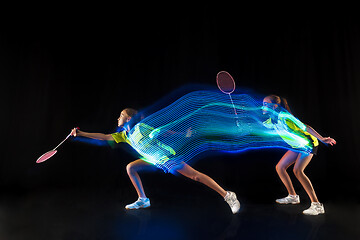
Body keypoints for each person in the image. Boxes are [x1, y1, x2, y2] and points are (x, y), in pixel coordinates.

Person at [70, 108, 240, 214]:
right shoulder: (123, 135)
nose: (118, 119)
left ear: (129, 119)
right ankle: (143, 199)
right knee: (131, 168)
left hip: (166, 157)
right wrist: (82, 133)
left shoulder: (141, 128)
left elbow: (164, 132)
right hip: (153, 159)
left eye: (121, 115)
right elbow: (104, 136)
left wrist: (184, 135)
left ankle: (228, 195)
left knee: (195, 176)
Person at [262, 95, 336, 215]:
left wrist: (322, 139)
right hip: (297, 146)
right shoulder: (272, 119)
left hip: (308, 144)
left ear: (274, 106)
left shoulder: (285, 117)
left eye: (266, 104)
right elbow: (260, 127)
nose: (263, 106)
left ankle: (317, 205)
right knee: (280, 167)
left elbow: (306, 127)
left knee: (298, 171)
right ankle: (293, 196)